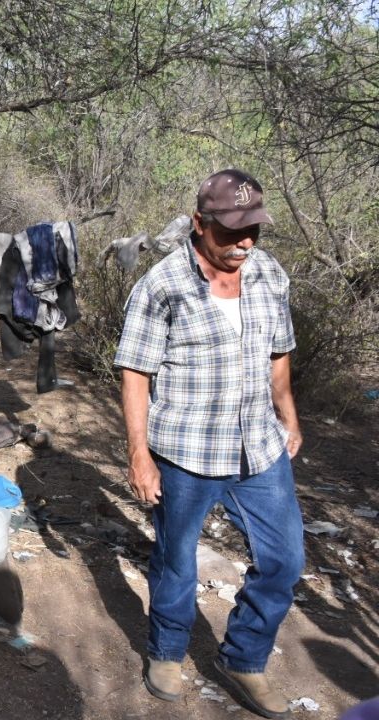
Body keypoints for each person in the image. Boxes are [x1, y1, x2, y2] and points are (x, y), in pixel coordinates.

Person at [115, 169, 302, 719]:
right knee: (176, 561)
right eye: (231, 232)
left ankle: (244, 658)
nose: (244, 243)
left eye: (254, 232)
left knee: (285, 560)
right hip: (186, 451)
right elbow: (136, 372)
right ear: (200, 224)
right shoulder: (161, 285)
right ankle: (168, 651)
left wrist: (288, 417)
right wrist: (139, 454)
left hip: (259, 449)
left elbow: (279, 353)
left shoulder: (270, 274)